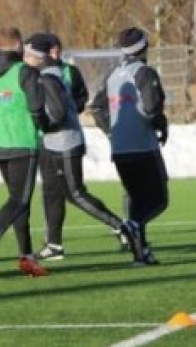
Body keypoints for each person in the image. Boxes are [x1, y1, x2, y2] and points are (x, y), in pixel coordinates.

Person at [37, 33, 134, 260]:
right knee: (51, 192)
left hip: (66, 140)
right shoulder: (38, 73)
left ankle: (121, 227)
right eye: (52, 50)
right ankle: (53, 244)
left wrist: (69, 107)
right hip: (45, 142)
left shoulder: (68, 72)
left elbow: (79, 99)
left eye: (58, 49)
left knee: (75, 193)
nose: (56, 53)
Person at [0, 28, 50, 277]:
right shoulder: (25, 72)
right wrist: (44, 126)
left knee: (17, 202)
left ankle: (27, 257)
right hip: (23, 143)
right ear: (18, 45)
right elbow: (37, 108)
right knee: (20, 201)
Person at [89, 27, 169, 266]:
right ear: (144, 47)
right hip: (143, 146)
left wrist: (112, 131)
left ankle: (141, 254)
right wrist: (160, 124)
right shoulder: (144, 73)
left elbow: (96, 107)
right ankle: (131, 226)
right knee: (158, 200)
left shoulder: (113, 74)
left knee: (136, 199)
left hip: (120, 149)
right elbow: (151, 108)